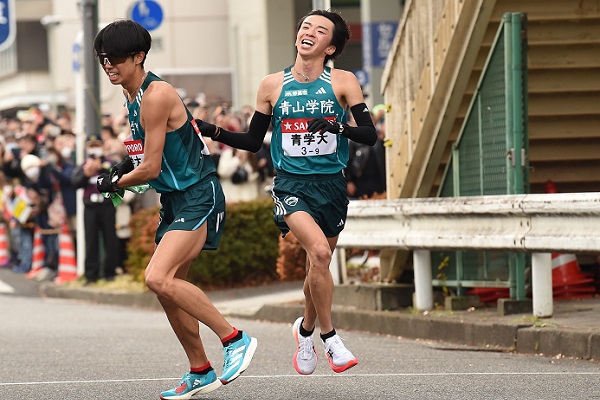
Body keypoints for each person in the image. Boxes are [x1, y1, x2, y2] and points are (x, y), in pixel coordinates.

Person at [196, 9, 376, 375]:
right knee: (321, 252)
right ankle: (331, 339)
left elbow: (369, 134)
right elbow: (250, 139)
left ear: (332, 47)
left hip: (332, 185)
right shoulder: (271, 85)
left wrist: (338, 127)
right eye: (305, 26)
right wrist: (211, 130)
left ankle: (304, 330)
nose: (308, 32)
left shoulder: (342, 81)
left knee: (317, 265)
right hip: (291, 184)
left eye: (320, 30)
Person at [92, 19, 257, 399]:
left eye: (116, 58)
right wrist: (121, 170)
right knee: (168, 290)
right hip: (174, 199)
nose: (109, 65)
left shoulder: (155, 94)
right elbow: (153, 165)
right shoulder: (131, 98)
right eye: (104, 58)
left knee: (158, 277)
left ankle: (235, 339)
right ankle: (200, 370)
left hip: (198, 194)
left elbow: (149, 168)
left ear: (139, 56)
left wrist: (114, 183)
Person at [72, 138, 119, 284]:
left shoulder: (110, 163)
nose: (94, 150)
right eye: (91, 147)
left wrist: (102, 169)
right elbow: (75, 182)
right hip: (90, 207)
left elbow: (116, 180)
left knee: (110, 239)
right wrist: (86, 174)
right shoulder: (84, 165)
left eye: (97, 146)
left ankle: (110, 273)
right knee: (90, 240)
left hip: (106, 206)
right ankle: (91, 274)